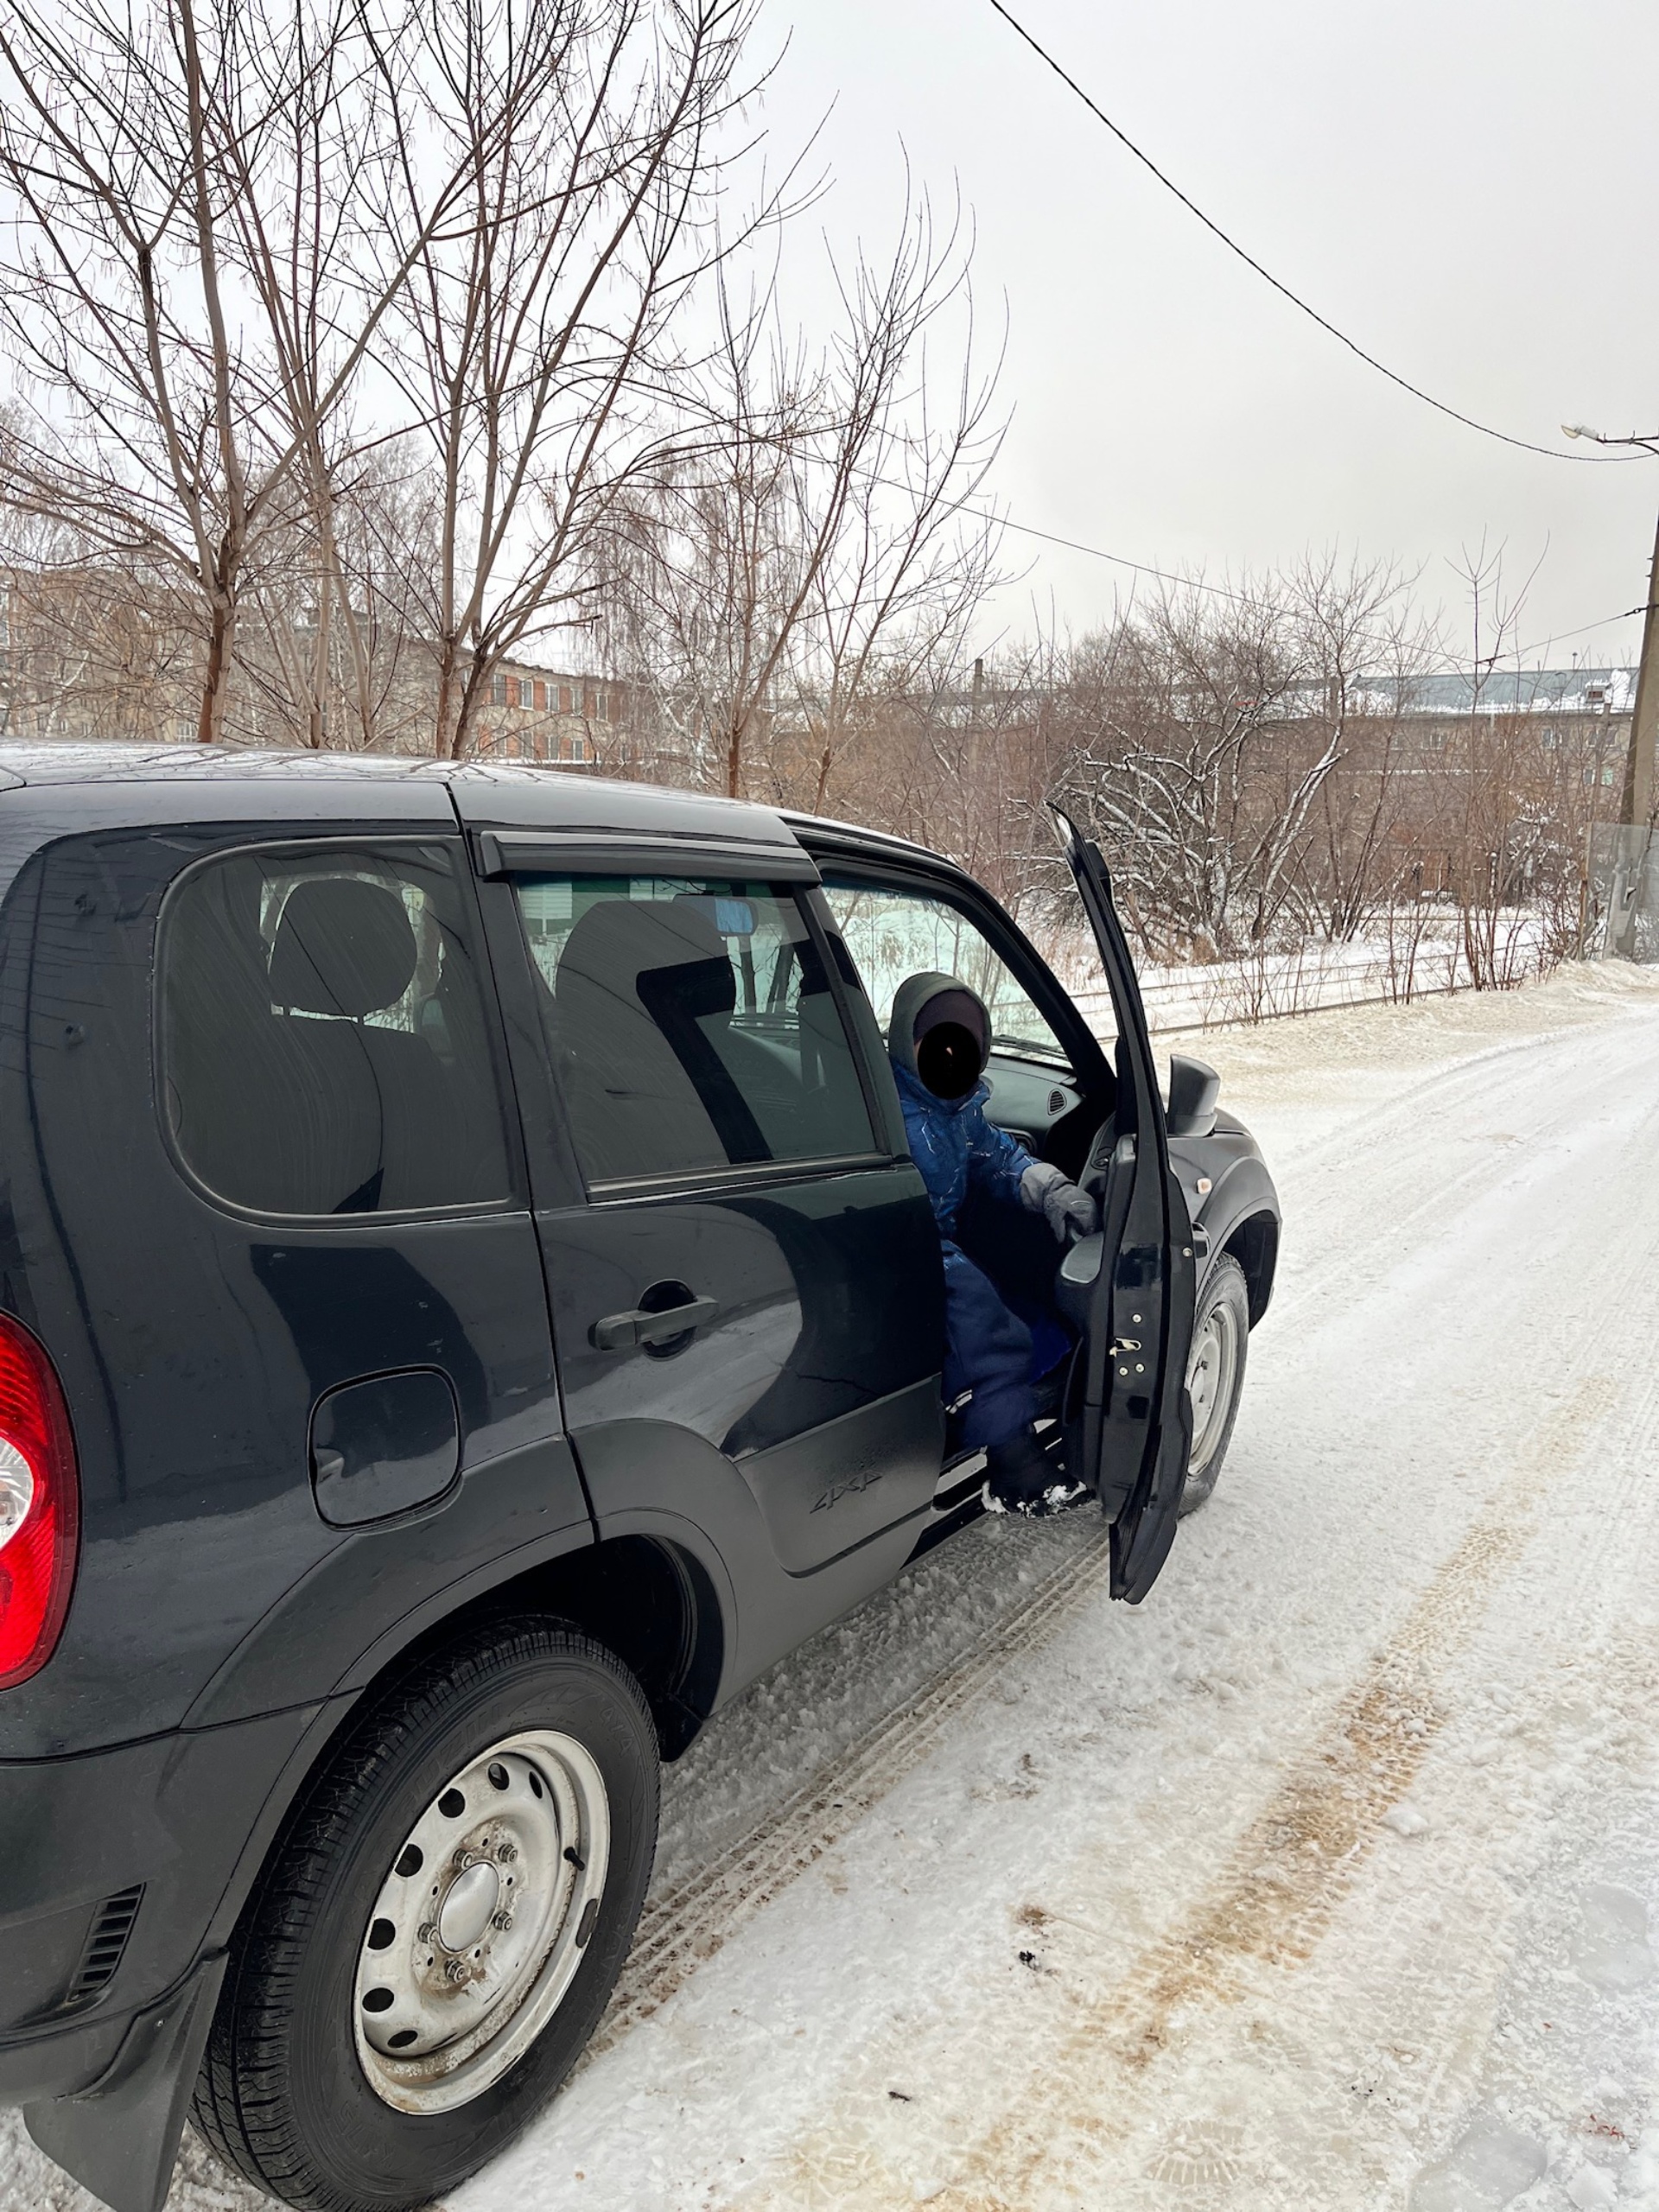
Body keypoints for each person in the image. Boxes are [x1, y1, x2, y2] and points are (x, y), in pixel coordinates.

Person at [887, 971, 1098, 1516]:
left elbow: (997, 1156)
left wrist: (1050, 1189)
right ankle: (1012, 1459)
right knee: (973, 1302)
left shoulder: (956, 1109)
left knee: (997, 1285)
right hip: (900, 1239)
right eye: (934, 1040)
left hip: (936, 1234)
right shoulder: (889, 1111)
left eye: (967, 1043)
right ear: (906, 1044)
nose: (951, 1053)